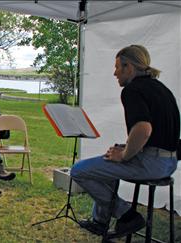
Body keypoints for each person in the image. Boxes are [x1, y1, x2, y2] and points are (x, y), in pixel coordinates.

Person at [71, 45, 180, 238]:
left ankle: (126, 214)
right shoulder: (162, 89)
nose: (115, 73)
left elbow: (143, 129)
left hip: (152, 163)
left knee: (78, 171)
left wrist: (125, 155)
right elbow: (158, 133)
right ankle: (100, 221)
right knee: (108, 161)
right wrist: (126, 148)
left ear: (128, 67)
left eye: (117, 67)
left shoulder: (132, 90)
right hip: (169, 163)